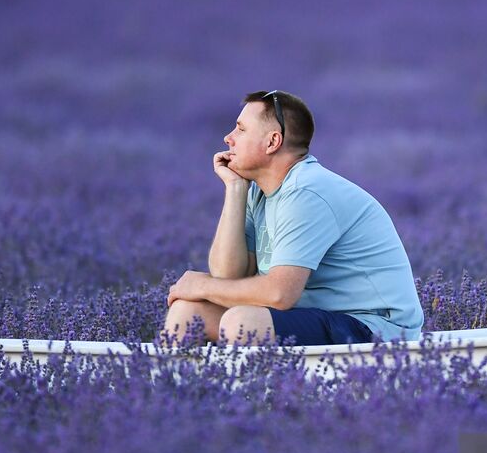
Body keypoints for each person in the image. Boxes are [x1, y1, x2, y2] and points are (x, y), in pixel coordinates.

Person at [162, 90, 424, 347]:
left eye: (240, 129)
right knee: (186, 314)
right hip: (318, 315)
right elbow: (228, 275)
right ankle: (191, 390)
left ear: (272, 142)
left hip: (374, 325)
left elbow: (279, 294)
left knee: (241, 323)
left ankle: (265, 390)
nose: (228, 138)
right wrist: (235, 190)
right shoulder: (259, 191)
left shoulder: (306, 192)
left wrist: (203, 285)